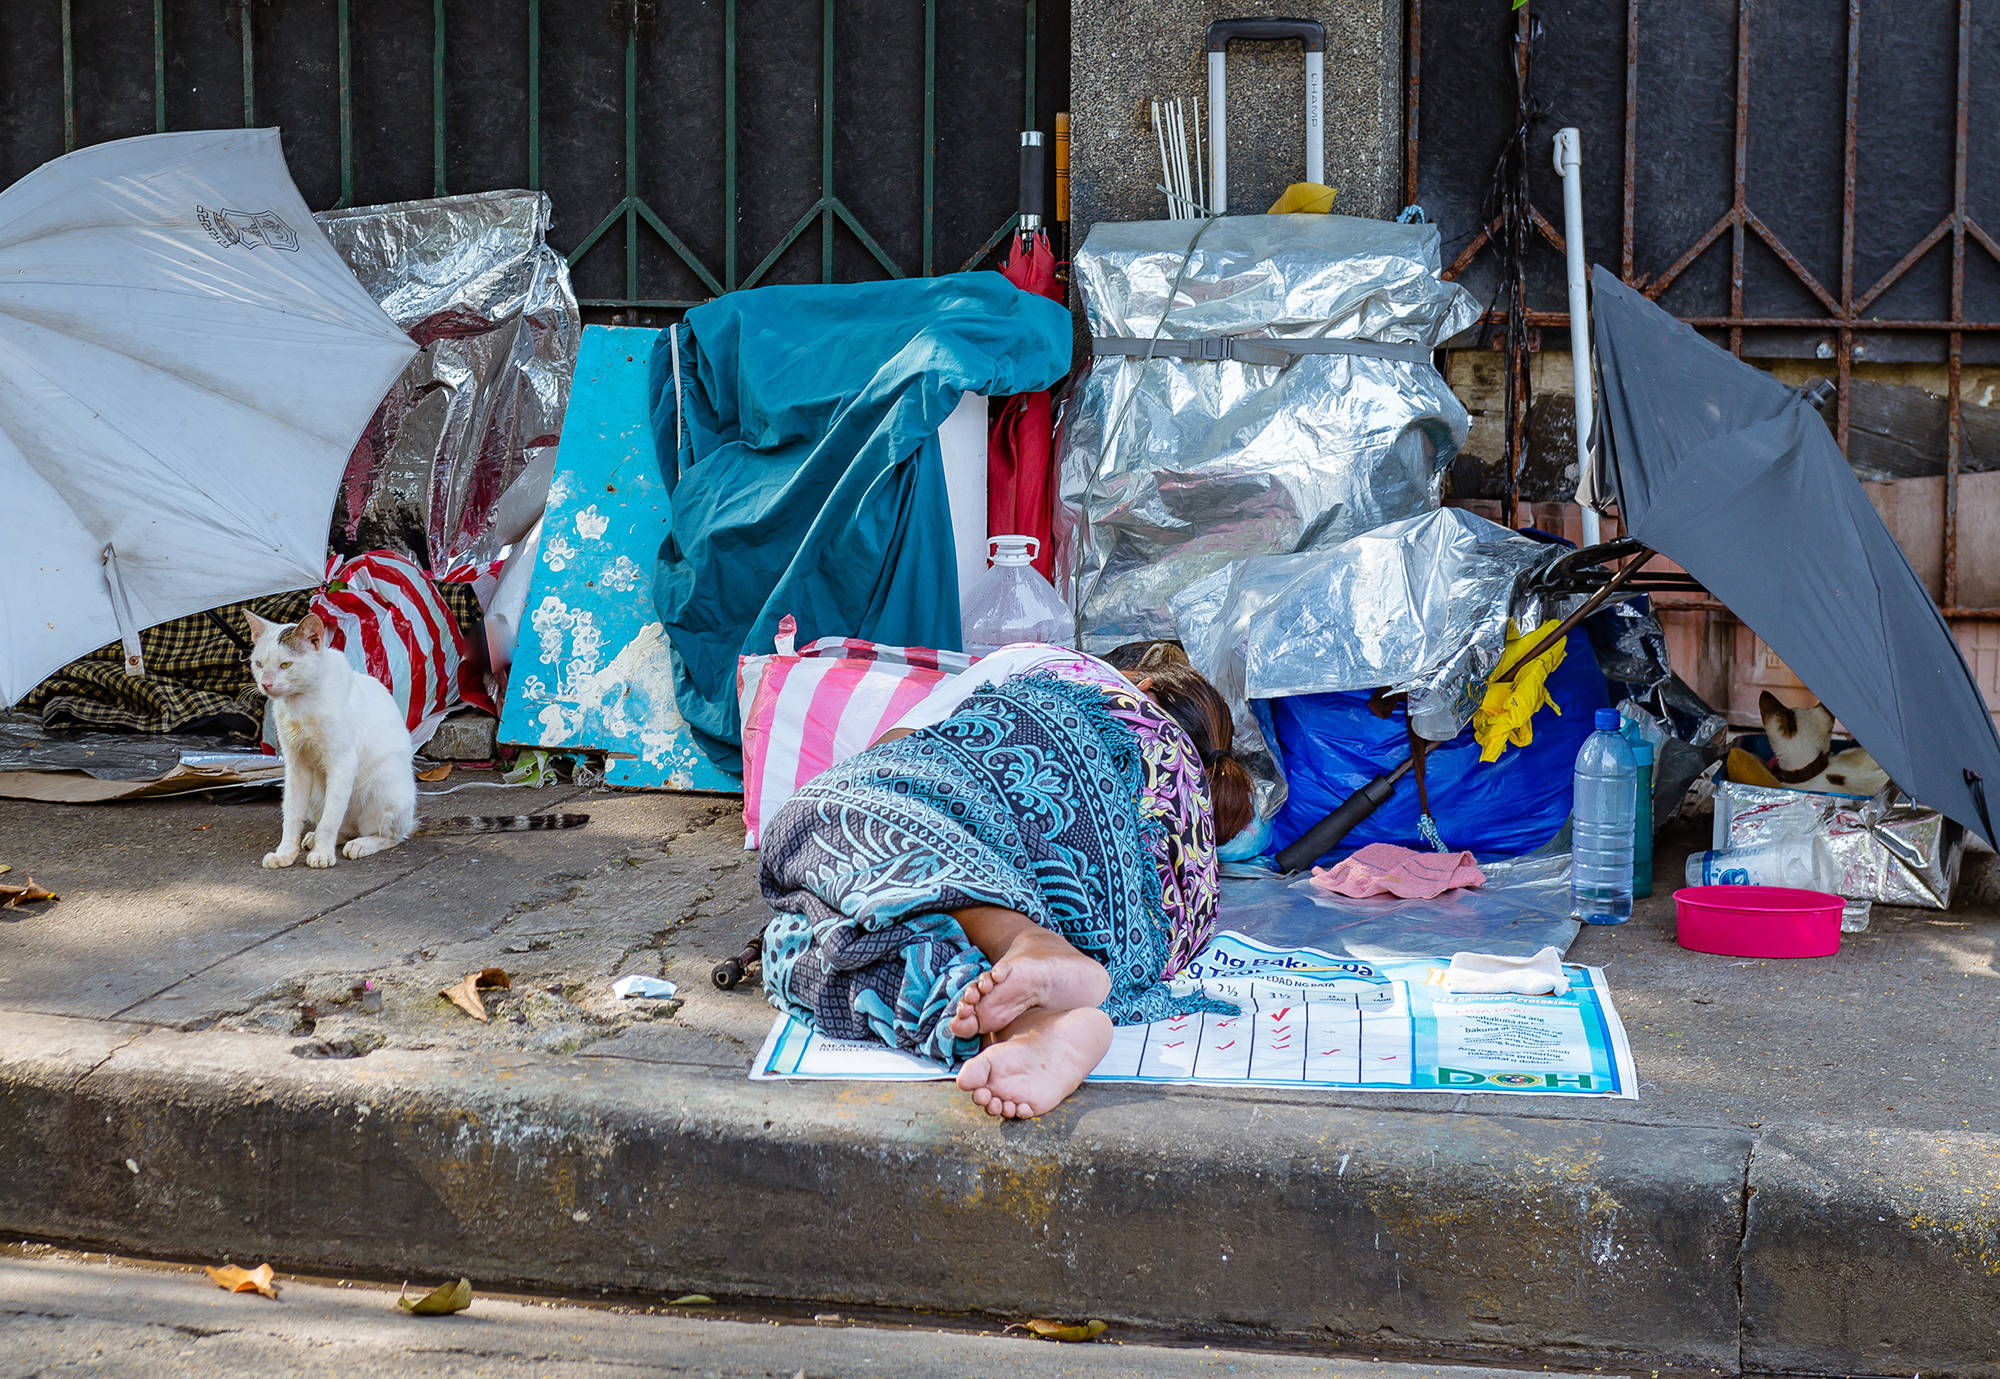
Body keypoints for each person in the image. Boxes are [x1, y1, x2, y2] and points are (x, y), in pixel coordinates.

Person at [757, 640, 1253, 1119]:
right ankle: (1028, 1026)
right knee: (798, 946)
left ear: (1137, 682)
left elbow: (898, 750)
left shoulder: (1060, 667)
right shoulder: (1196, 835)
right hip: (1124, 940)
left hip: (1050, 786)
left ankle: (1028, 941)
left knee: (824, 816)